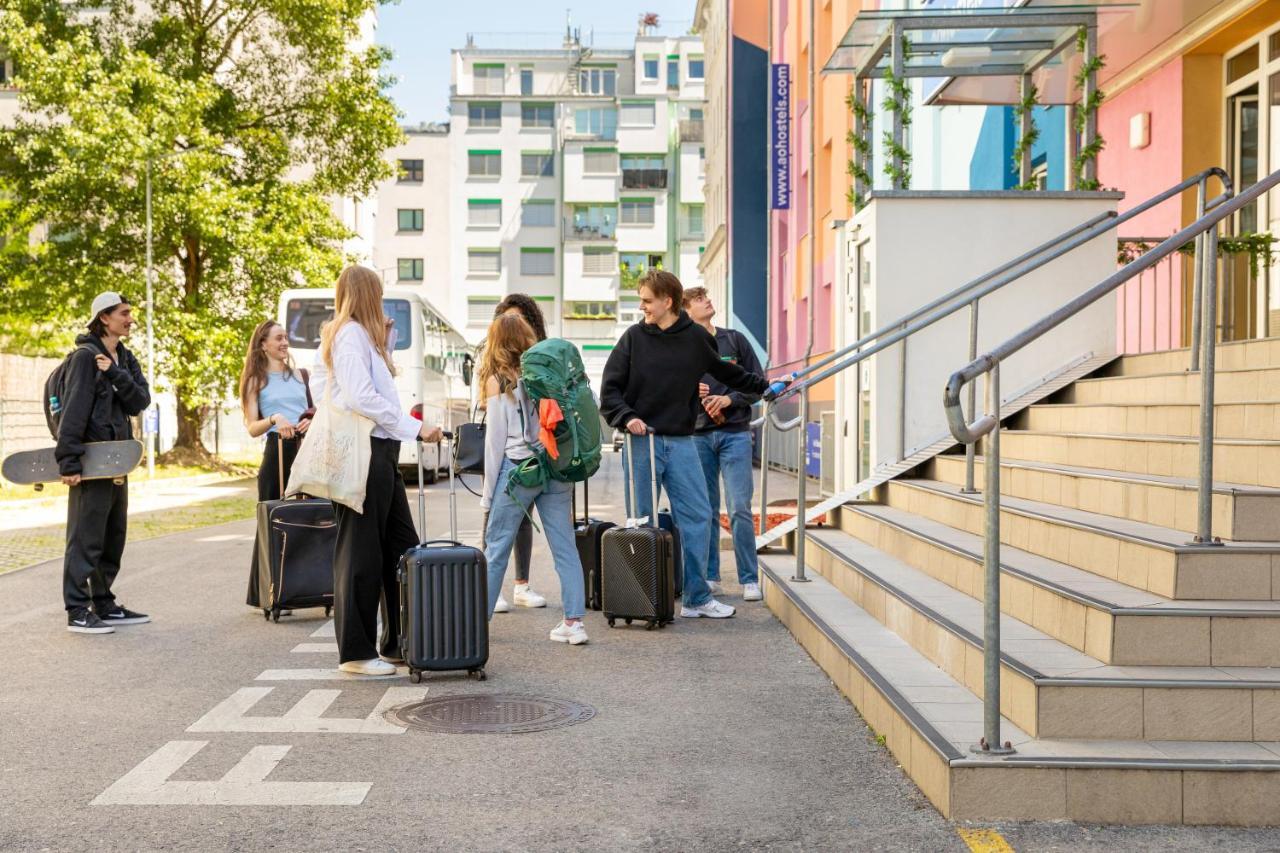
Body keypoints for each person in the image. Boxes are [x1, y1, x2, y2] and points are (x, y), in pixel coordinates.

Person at [600, 270, 774, 620]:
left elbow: (730, 374)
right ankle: (641, 599)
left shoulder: (695, 338)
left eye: (647, 300)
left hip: (682, 443)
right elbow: (610, 390)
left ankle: (696, 597)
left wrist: (766, 386)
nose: (642, 307)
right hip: (642, 443)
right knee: (641, 521)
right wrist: (626, 416)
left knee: (696, 517)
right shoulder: (633, 338)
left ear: (667, 301)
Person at [310, 265, 443, 676]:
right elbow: (360, 396)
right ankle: (355, 652)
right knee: (361, 552)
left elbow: (370, 385)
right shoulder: (348, 334)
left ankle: (396, 642)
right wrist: (415, 427)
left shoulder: (360, 338)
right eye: (379, 294)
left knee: (400, 545)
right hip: (365, 452)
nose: (383, 302)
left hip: (380, 452)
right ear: (367, 295)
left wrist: (387, 343)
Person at [478, 312, 588, 645]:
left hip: (519, 469)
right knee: (564, 546)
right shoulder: (547, 373)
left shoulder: (498, 380)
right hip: (554, 465)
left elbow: (495, 444)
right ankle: (574, 623)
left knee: (496, 547)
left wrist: (487, 494)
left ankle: (476, 623)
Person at [55, 292, 152, 634]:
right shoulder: (84, 357)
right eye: (124, 313)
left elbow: (140, 400)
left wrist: (115, 373)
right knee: (86, 535)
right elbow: (74, 410)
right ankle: (77, 609)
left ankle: (104, 602)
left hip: (117, 461)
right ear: (104, 318)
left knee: (113, 534)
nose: (130, 318)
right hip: (91, 460)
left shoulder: (123, 357)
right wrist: (69, 461)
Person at [683, 287, 765, 602]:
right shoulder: (683, 347)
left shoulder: (735, 340)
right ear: (686, 310)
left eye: (707, 296)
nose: (708, 300)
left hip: (735, 434)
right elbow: (667, 390)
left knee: (740, 507)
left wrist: (729, 399)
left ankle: (749, 579)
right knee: (705, 510)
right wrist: (691, 391)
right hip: (697, 436)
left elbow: (757, 384)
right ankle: (711, 576)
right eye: (699, 299)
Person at [480, 294, 550, 613]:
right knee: (499, 527)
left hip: (513, 461)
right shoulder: (509, 377)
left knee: (503, 529)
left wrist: (487, 490)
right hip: (535, 461)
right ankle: (493, 591)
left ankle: (497, 595)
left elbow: (495, 445)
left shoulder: (516, 377)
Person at [239, 319, 313, 608]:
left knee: (308, 518)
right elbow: (251, 427)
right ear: (263, 344)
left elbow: (310, 409)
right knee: (272, 520)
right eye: (278, 338)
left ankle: (306, 587)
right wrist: (274, 419)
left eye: (285, 337)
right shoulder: (255, 380)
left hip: (305, 451)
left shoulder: (300, 375)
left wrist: (309, 419)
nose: (284, 343)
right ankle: (267, 592)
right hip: (277, 451)